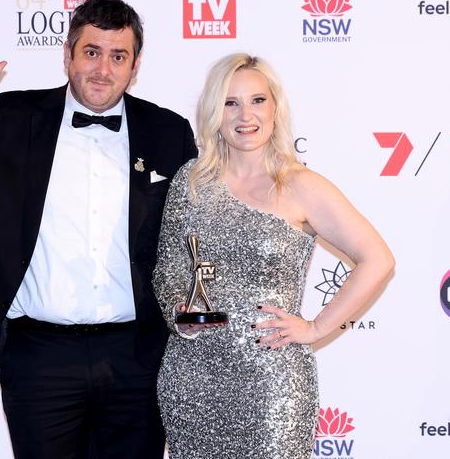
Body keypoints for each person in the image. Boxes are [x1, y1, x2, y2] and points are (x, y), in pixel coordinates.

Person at [0, 0, 197, 459]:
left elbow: (198, 232)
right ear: (67, 55)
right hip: (39, 357)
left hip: (136, 358)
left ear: (135, 65)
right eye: (91, 52)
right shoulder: (11, 117)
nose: (103, 69)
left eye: (118, 56)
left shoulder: (169, 132)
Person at [153, 53, 394, 458]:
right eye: (231, 102)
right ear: (214, 112)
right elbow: (168, 269)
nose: (245, 115)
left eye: (257, 100)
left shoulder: (302, 185)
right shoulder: (190, 181)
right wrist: (180, 313)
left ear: (275, 107)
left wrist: (317, 328)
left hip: (272, 384)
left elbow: (378, 260)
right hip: (192, 378)